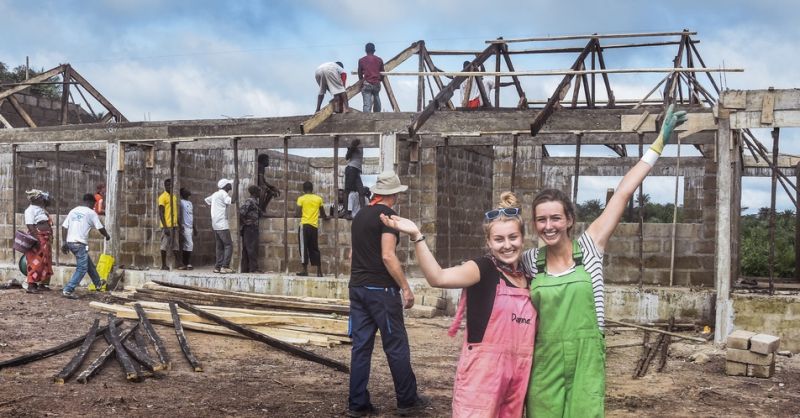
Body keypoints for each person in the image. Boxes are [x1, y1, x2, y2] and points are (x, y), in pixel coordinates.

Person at [521, 105, 687, 417]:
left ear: (569, 219)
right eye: (541, 220)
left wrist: (658, 144)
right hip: (543, 358)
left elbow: (623, 193)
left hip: (587, 356)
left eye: (555, 218)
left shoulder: (591, 247)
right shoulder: (530, 261)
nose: (548, 226)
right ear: (534, 224)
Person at [381, 192, 535, 417]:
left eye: (513, 237)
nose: (507, 245)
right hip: (483, 378)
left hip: (518, 377)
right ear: (488, 242)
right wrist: (416, 235)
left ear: (522, 238)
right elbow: (438, 277)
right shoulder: (482, 268)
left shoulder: (530, 278)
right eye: (499, 239)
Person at [346, 171, 429, 417]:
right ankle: (407, 400)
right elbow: (387, 255)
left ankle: (357, 404)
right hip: (381, 291)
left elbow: (352, 255)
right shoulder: (388, 217)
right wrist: (405, 287)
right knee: (396, 345)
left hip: (358, 288)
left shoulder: (360, 216)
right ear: (393, 195)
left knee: (360, 347)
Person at [61, 193, 110, 299]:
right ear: (92, 202)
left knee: (88, 264)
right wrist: (107, 235)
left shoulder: (73, 210)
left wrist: (64, 242)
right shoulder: (91, 213)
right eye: (94, 204)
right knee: (82, 268)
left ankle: (98, 283)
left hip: (70, 242)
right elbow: (100, 227)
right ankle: (68, 290)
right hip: (79, 244)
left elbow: (64, 226)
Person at [23, 189, 54, 293]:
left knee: (46, 262)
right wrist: (36, 239)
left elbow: (50, 201)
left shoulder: (41, 208)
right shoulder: (30, 210)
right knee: (36, 262)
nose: (43, 198)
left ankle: (43, 284)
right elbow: (30, 226)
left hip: (45, 238)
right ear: (36, 198)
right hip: (38, 237)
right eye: (41, 197)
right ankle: (31, 285)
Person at [295, 181, 327, 277]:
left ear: (304, 189)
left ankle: (305, 270)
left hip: (304, 225)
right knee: (314, 248)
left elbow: (298, 213)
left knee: (303, 248)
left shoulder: (301, 199)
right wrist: (326, 217)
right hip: (314, 226)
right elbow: (323, 214)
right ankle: (319, 271)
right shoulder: (318, 199)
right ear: (312, 188)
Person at [205, 179, 234, 274]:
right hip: (222, 223)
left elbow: (207, 201)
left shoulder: (215, 194)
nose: (231, 185)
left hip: (215, 224)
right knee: (228, 245)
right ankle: (225, 266)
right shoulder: (223, 194)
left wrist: (214, 212)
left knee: (219, 246)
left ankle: (217, 267)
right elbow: (232, 201)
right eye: (229, 184)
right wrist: (236, 189)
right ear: (225, 186)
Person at [157, 179, 181, 270]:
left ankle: (179, 264)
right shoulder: (162, 197)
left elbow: (175, 212)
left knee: (176, 245)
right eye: (167, 185)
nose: (169, 187)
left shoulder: (173, 197)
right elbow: (161, 213)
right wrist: (165, 227)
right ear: (165, 186)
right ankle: (163, 265)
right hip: (167, 225)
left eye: (170, 185)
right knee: (164, 245)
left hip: (174, 225)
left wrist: (178, 224)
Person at [239, 185, 263, 273]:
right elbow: (241, 213)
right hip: (250, 228)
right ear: (255, 193)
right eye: (259, 191)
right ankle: (253, 269)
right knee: (251, 248)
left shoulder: (254, 202)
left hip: (250, 228)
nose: (260, 193)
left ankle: (245, 269)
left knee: (247, 248)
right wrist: (245, 222)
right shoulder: (250, 201)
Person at [358, 42, 385, 112]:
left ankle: (366, 119)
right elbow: (383, 73)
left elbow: (360, 73)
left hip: (367, 83)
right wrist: (379, 80)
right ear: (374, 51)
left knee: (367, 104)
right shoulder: (379, 60)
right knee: (376, 97)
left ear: (365, 51)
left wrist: (361, 81)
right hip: (376, 83)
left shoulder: (361, 60)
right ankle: (377, 115)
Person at [344, 139, 365, 219]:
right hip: (351, 169)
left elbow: (356, 142)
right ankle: (346, 213)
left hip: (356, 170)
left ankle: (363, 213)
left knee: (361, 191)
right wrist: (351, 148)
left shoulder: (359, 146)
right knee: (347, 191)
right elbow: (347, 157)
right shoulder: (352, 148)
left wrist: (353, 147)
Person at [177, 187, 197, 270]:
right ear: (182, 193)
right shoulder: (181, 202)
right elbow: (178, 214)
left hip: (190, 226)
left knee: (186, 245)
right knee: (190, 244)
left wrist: (194, 228)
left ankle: (185, 263)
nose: (188, 191)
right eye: (185, 190)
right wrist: (180, 225)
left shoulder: (190, 203)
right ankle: (187, 263)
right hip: (184, 226)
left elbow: (191, 216)